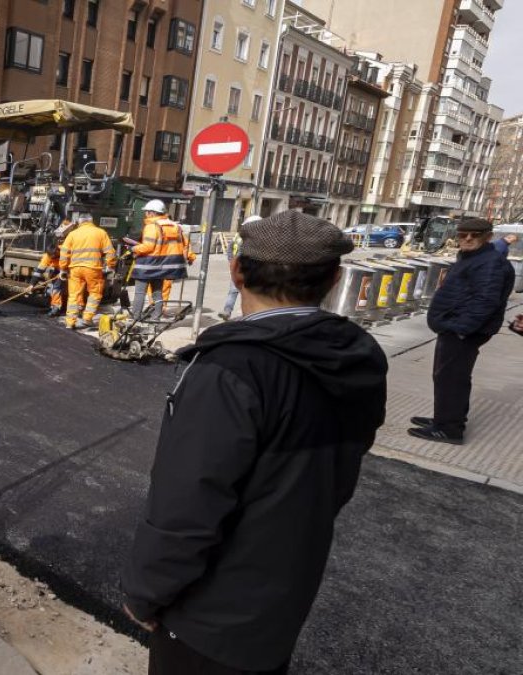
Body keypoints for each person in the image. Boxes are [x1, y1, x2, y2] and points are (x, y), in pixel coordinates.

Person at [122, 211, 387, 675]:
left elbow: (186, 504)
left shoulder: (230, 371)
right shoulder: (356, 358)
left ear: (238, 270)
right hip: (284, 596)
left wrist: (146, 594)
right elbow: (337, 477)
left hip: (208, 616)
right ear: (335, 278)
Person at [410, 217, 516, 444]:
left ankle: (449, 429)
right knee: (447, 376)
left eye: (474, 235)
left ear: (488, 236)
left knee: (452, 378)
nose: (467, 238)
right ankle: (444, 419)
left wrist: (461, 329)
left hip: (463, 331)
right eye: (463, 234)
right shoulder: (473, 258)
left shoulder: (489, 262)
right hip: (455, 327)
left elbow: (485, 301)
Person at [130, 200, 191, 320]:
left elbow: (148, 247)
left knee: (140, 292)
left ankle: (135, 317)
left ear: (152, 213)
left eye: (147, 212)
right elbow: (182, 244)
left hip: (148, 266)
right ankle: (156, 317)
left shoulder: (152, 226)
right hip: (164, 266)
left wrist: (133, 248)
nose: (146, 214)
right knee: (157, 292)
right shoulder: (175, 226)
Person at [59, 214, 117, 329]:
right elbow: (110, 252)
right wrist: (110, 266)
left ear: (80, 222)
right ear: (91, 221)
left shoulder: (72, 234)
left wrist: (63, 268)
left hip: (75, 269)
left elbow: (64, 253)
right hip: (93, 269)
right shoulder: (100, 233)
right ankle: (87, 318)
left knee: (74, 295)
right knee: (94, 293)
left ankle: (70, 322)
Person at [218, 216, 262, 321]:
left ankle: (228, 311)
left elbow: (230, 249)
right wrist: (232, 262)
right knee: (247, 292)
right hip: (247, 268)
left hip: (242, 268)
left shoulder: (240, 236)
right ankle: (245, 314)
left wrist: (232, 262)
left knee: (236, 291)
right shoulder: (257, 238)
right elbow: (230, 249)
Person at [32, 240, 65, 317]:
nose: (51, 258)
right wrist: (32, 284)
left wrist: (64, 272)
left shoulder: (65, 251)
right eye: (50, 256)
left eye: (53, 256)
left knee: (57, 287)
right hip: (58, 269)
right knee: (54, 286)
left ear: (57, 251)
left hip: (70, 269)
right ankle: (54, 305)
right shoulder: (47, 256)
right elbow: (39, 271)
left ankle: (56, 308)